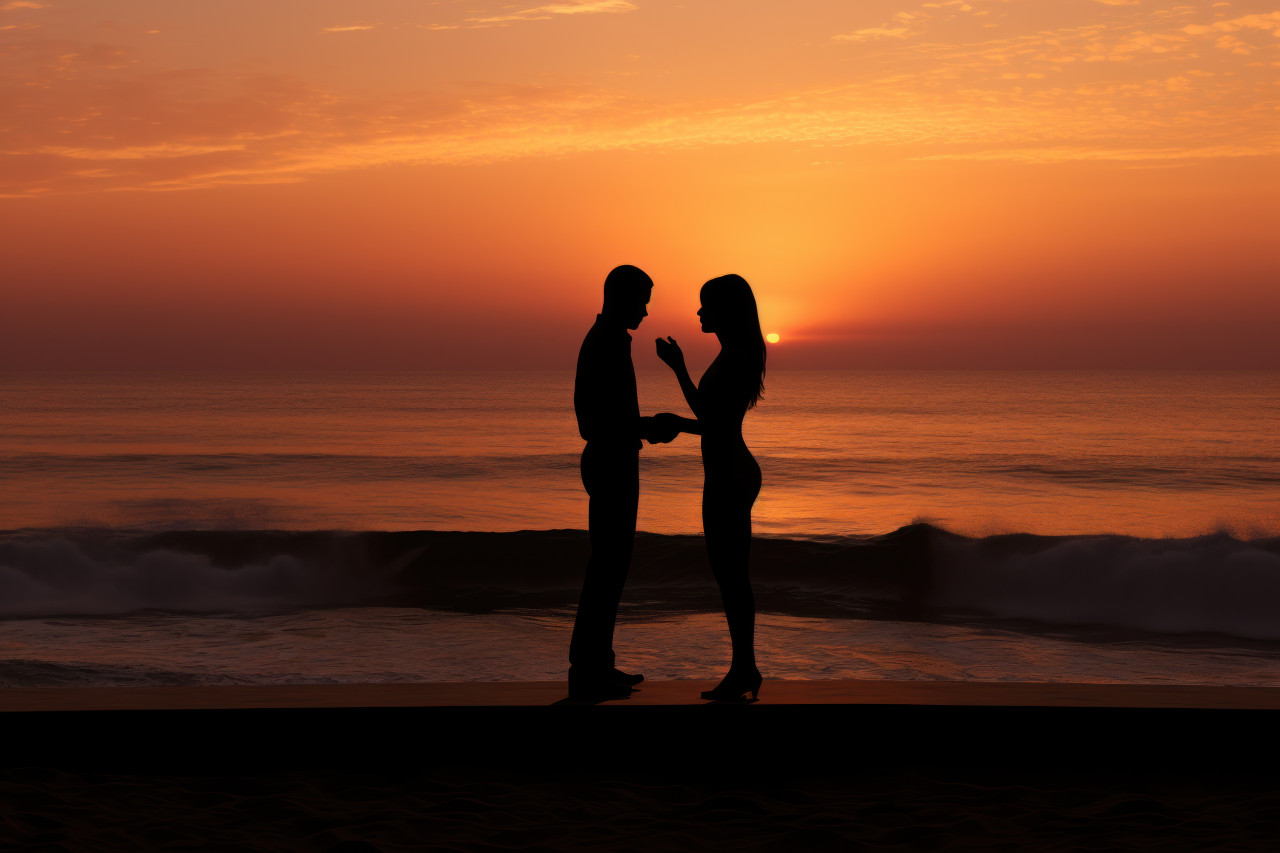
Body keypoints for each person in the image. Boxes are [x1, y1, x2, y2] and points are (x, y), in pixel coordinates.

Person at [569, 264, 678, 701]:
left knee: (611, 568)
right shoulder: (605, 343)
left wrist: (641, 426)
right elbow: (591, 420)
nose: (647, 311)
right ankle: (588, 669)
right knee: (607, 568)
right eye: (643, 300)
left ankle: (598, 664)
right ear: (622, 297)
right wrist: (645, 427)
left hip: (616, 459)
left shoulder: (612, 340)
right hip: (611, 462)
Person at [655, 274, 766, 701]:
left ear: (725, 310)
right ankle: (744, 669)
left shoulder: (736, 358)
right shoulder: (730, 354)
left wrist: (676, 422)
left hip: (731, 474)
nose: (699, 312)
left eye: (706, 305)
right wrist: (680, 370)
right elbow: (710, 413)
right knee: (728, 575)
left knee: (732, 576)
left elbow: (713, 422)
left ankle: (745, 670)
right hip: (727, 470)